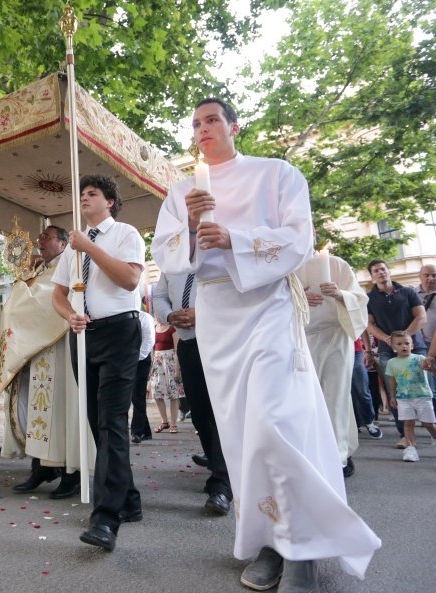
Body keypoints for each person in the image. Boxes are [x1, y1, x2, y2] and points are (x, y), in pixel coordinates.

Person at [152, 97, 380, 590]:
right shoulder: (181, 191)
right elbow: (166, 256)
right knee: (243, 434)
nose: (203, 129)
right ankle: (271, 541)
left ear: (234, 125)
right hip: (216, 316)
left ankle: (302, 549)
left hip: (268, 307)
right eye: (195, 124)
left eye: (211, 120)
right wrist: (192, 227)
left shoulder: (277, 173)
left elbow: (298, 238)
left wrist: (234, 238)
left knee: (278, 422)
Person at [52, 174, 145, 551]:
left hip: (120, 332)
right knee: (97, 422)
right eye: (82, 194)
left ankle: (105, 520)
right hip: (83, 335)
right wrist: (68, 315)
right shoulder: (74, 245)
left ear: (109, 201)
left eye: (92, 193)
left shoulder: (125, 233)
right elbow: (58, 294)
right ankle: (129, 500)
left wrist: (89, 249)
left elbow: (128, 280)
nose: (85, 198)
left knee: (112, 423)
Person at [0, 225, 86, 499]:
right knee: (40, 411)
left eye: (47, 237)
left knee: (63, 409)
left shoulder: (72, 266)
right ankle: (42, 466)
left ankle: (72, 473)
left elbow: (45, 303)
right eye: (40, 238)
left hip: (60, 347)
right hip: (39, 350)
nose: (40, 242)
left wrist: (23, 287)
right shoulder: (39, 272)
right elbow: (19, 303)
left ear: (63, 244)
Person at [153, 270, 232, 516]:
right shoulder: (172, 262)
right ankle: (218, 463)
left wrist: (203, 315)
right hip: (188, 343)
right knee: (199, 412)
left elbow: (234, 295)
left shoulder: (218, 254)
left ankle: (222, 484)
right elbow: (160, 295)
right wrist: (169, 314)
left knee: (222, 413)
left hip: (219, 340)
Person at [296, 249, 370, 478]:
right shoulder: (287, 266)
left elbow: (359, 298)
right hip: (302, 338)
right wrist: (299, 298)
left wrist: (340, 294)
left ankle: (337, 457)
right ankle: (310, 453)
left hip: (336, 336)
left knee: (335, 397)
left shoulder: (337, 264)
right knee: (306, 400)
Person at [366, 259, 428, 448]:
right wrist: (388, 340)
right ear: (372, 276)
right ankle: (405, 435)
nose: (381, 272)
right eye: (376, 271)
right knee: (395, 391)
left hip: (416, 347)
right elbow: (369, 324)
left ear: (388, 271)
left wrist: (404, 338)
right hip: (387, 352)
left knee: (428, 387)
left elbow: (421, 316)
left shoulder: (408, 292)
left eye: (383, 269)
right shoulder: (369, 298)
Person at [385, 331, 436, 462]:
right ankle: (411, 449)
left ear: (412, 345)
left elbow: (435, 374)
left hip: (422, 396)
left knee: (428, 423)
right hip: (404, 398)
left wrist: (431, 367)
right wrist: (392, 396)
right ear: (393, 347)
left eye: (407, 343)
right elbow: (392, 380)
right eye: (399, 344)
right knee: (408, 423)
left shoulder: (420, 358)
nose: (403, 346)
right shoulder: (391, 363)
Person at [417, 264, 436, 433]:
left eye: (434, 275)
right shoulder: (412, 294)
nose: (430, 278)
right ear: (420, 276)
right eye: (426, 275)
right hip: (425, 345)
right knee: (433, 386)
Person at [148, 321, 183, 433]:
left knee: (174, 394)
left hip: (170, 362)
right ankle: (164, 422)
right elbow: (152, 350)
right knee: (156, 392)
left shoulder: (172, 329)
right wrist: (151, 368)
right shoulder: (153, 328)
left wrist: (177, 370)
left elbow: (177, 350)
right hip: (157, 362)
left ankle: (173, 424)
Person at [131, 310, 155, 444]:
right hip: (127, 360)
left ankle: (137, 431)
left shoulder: (145, 318)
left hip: (141, 360)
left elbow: (149, 341)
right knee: (134, 397)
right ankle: (145, 430)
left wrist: (135, 359)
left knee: (138, 396)